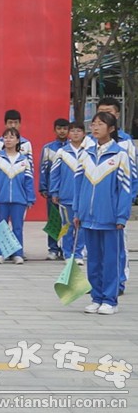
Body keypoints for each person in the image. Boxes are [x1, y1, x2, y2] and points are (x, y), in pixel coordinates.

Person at [74, 112, 131, 315]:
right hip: (88, 218)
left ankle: (110, 300)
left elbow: (125, 189)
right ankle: (96, 298)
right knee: (94, 261)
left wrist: (121, 216)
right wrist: (78, 211)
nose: (96, 127)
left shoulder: (120, 155)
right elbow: (78, 186)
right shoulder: (85, 154)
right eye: (94, 124)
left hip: (110, 218)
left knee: (111, 260)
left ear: (112, 128)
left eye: (101, 124)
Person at [95, 97, 137, 296]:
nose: (104, 116)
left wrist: (124, 205)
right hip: (96, 208)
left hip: (116, 206)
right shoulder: (90, 143)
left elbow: (132, 176)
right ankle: (100, 283)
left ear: (117, 115)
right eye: (101, 112)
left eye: (109, 112)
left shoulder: (126, 142)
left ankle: (119, 281)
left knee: (118, 245)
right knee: (96, 250)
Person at [0, 128, 36, 264]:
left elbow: (29, 181)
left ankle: (17, 253)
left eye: (11, 137)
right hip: (1, 199)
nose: (8, 140)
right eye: (6, 137)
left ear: (17, 140)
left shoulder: (24, 160)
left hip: (19, 199)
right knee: (1, 227)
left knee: (17, 227)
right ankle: (0, 253)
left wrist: (30, 198)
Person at [50, 121, 87, 264]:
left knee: (81, 226)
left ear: (84, 133)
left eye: (79, 131)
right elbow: (55, 174)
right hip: (66, 196)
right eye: (73, 131)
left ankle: (78, 254)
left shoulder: (89, 152)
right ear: (69, 134)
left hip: (83, 196)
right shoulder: (62, 152)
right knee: (67, 225)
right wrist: (54, 192)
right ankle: (67, 253)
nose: (75, 133)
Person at [40, 118, 70, 260]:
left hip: (68, 191)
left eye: (65, 128)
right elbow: (43, 169)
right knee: (53, 220)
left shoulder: (72, 148)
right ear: (54, 130)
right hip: (52, 191)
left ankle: (66, 248)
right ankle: (53, 248)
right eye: (59, 128)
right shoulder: (48, 148)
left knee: (67, 221)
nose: (62, 131)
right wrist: (43, 187)